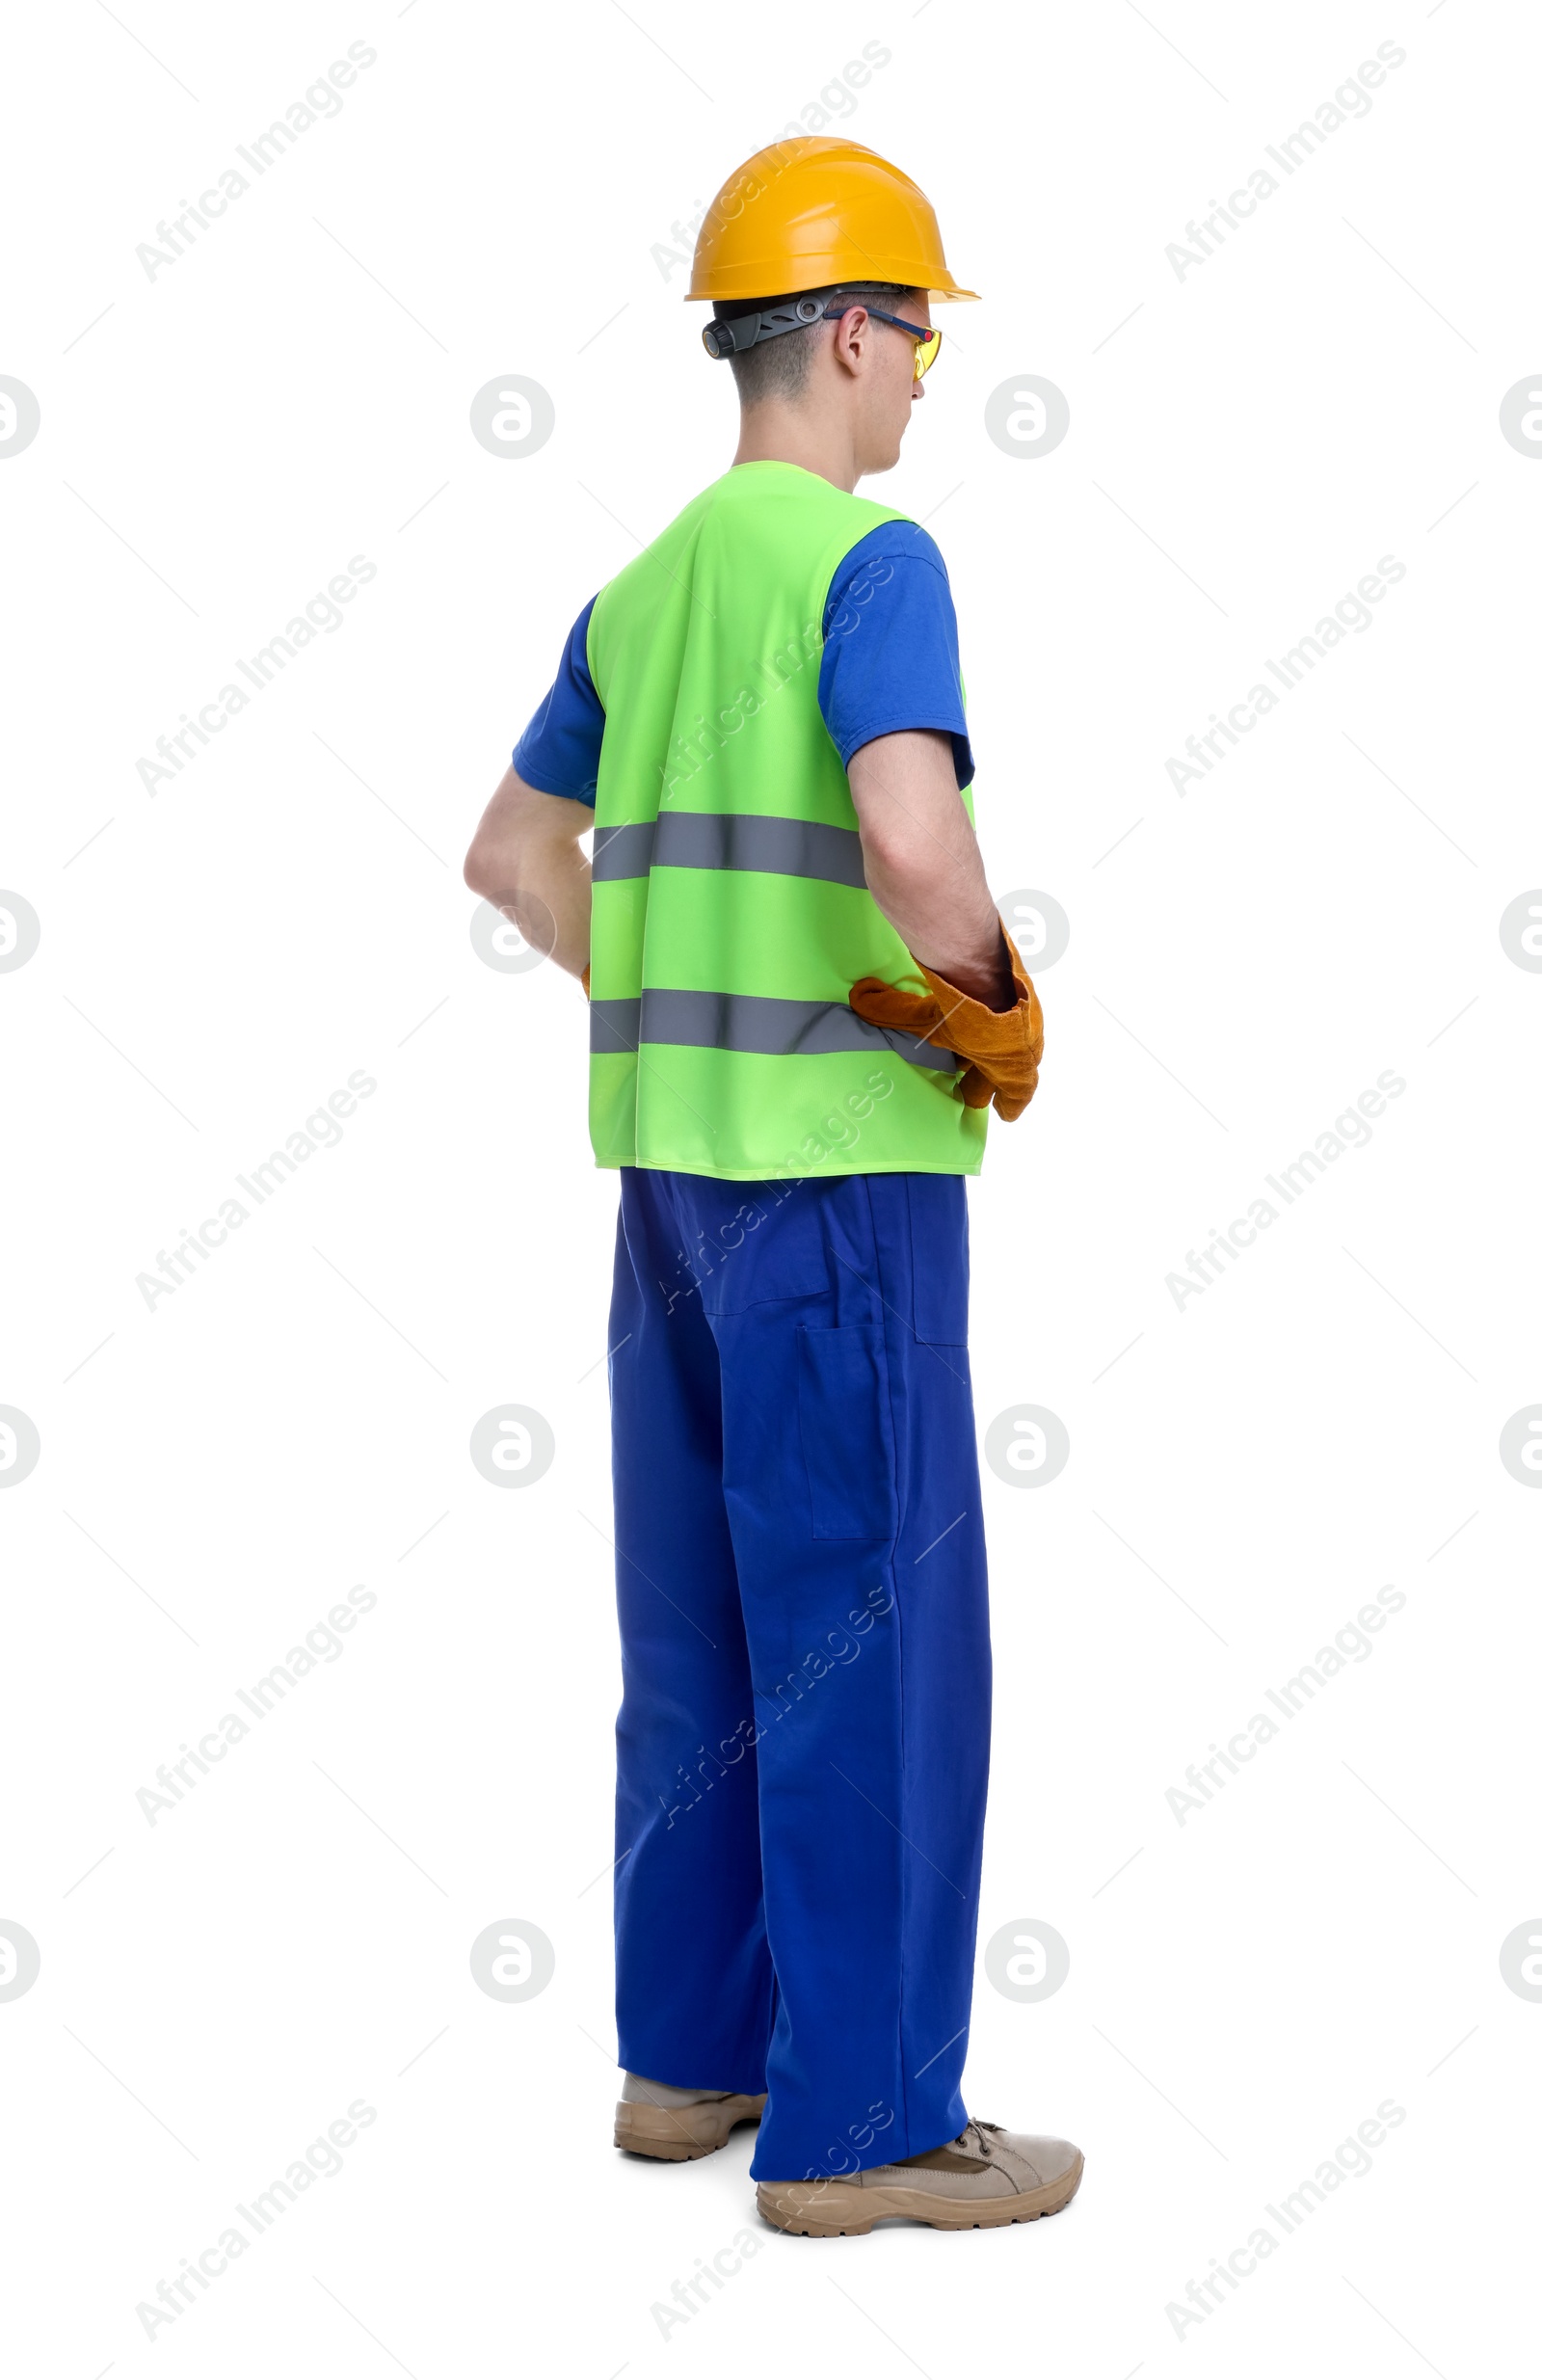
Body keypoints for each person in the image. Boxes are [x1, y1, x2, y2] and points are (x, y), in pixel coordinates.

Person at [463, 135, 1081, 2237]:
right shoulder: (864, 564)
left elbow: (512, 860)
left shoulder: (631, 594)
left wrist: (667, 987)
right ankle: (868, 2125)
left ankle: (685, 2061)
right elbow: (909, 839)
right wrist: (989, 992)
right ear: (842, 331)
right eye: (913, 337)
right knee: (875, 1639)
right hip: (840, 1187)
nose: (920, 383)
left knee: (700, 1634)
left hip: (669, 1202)